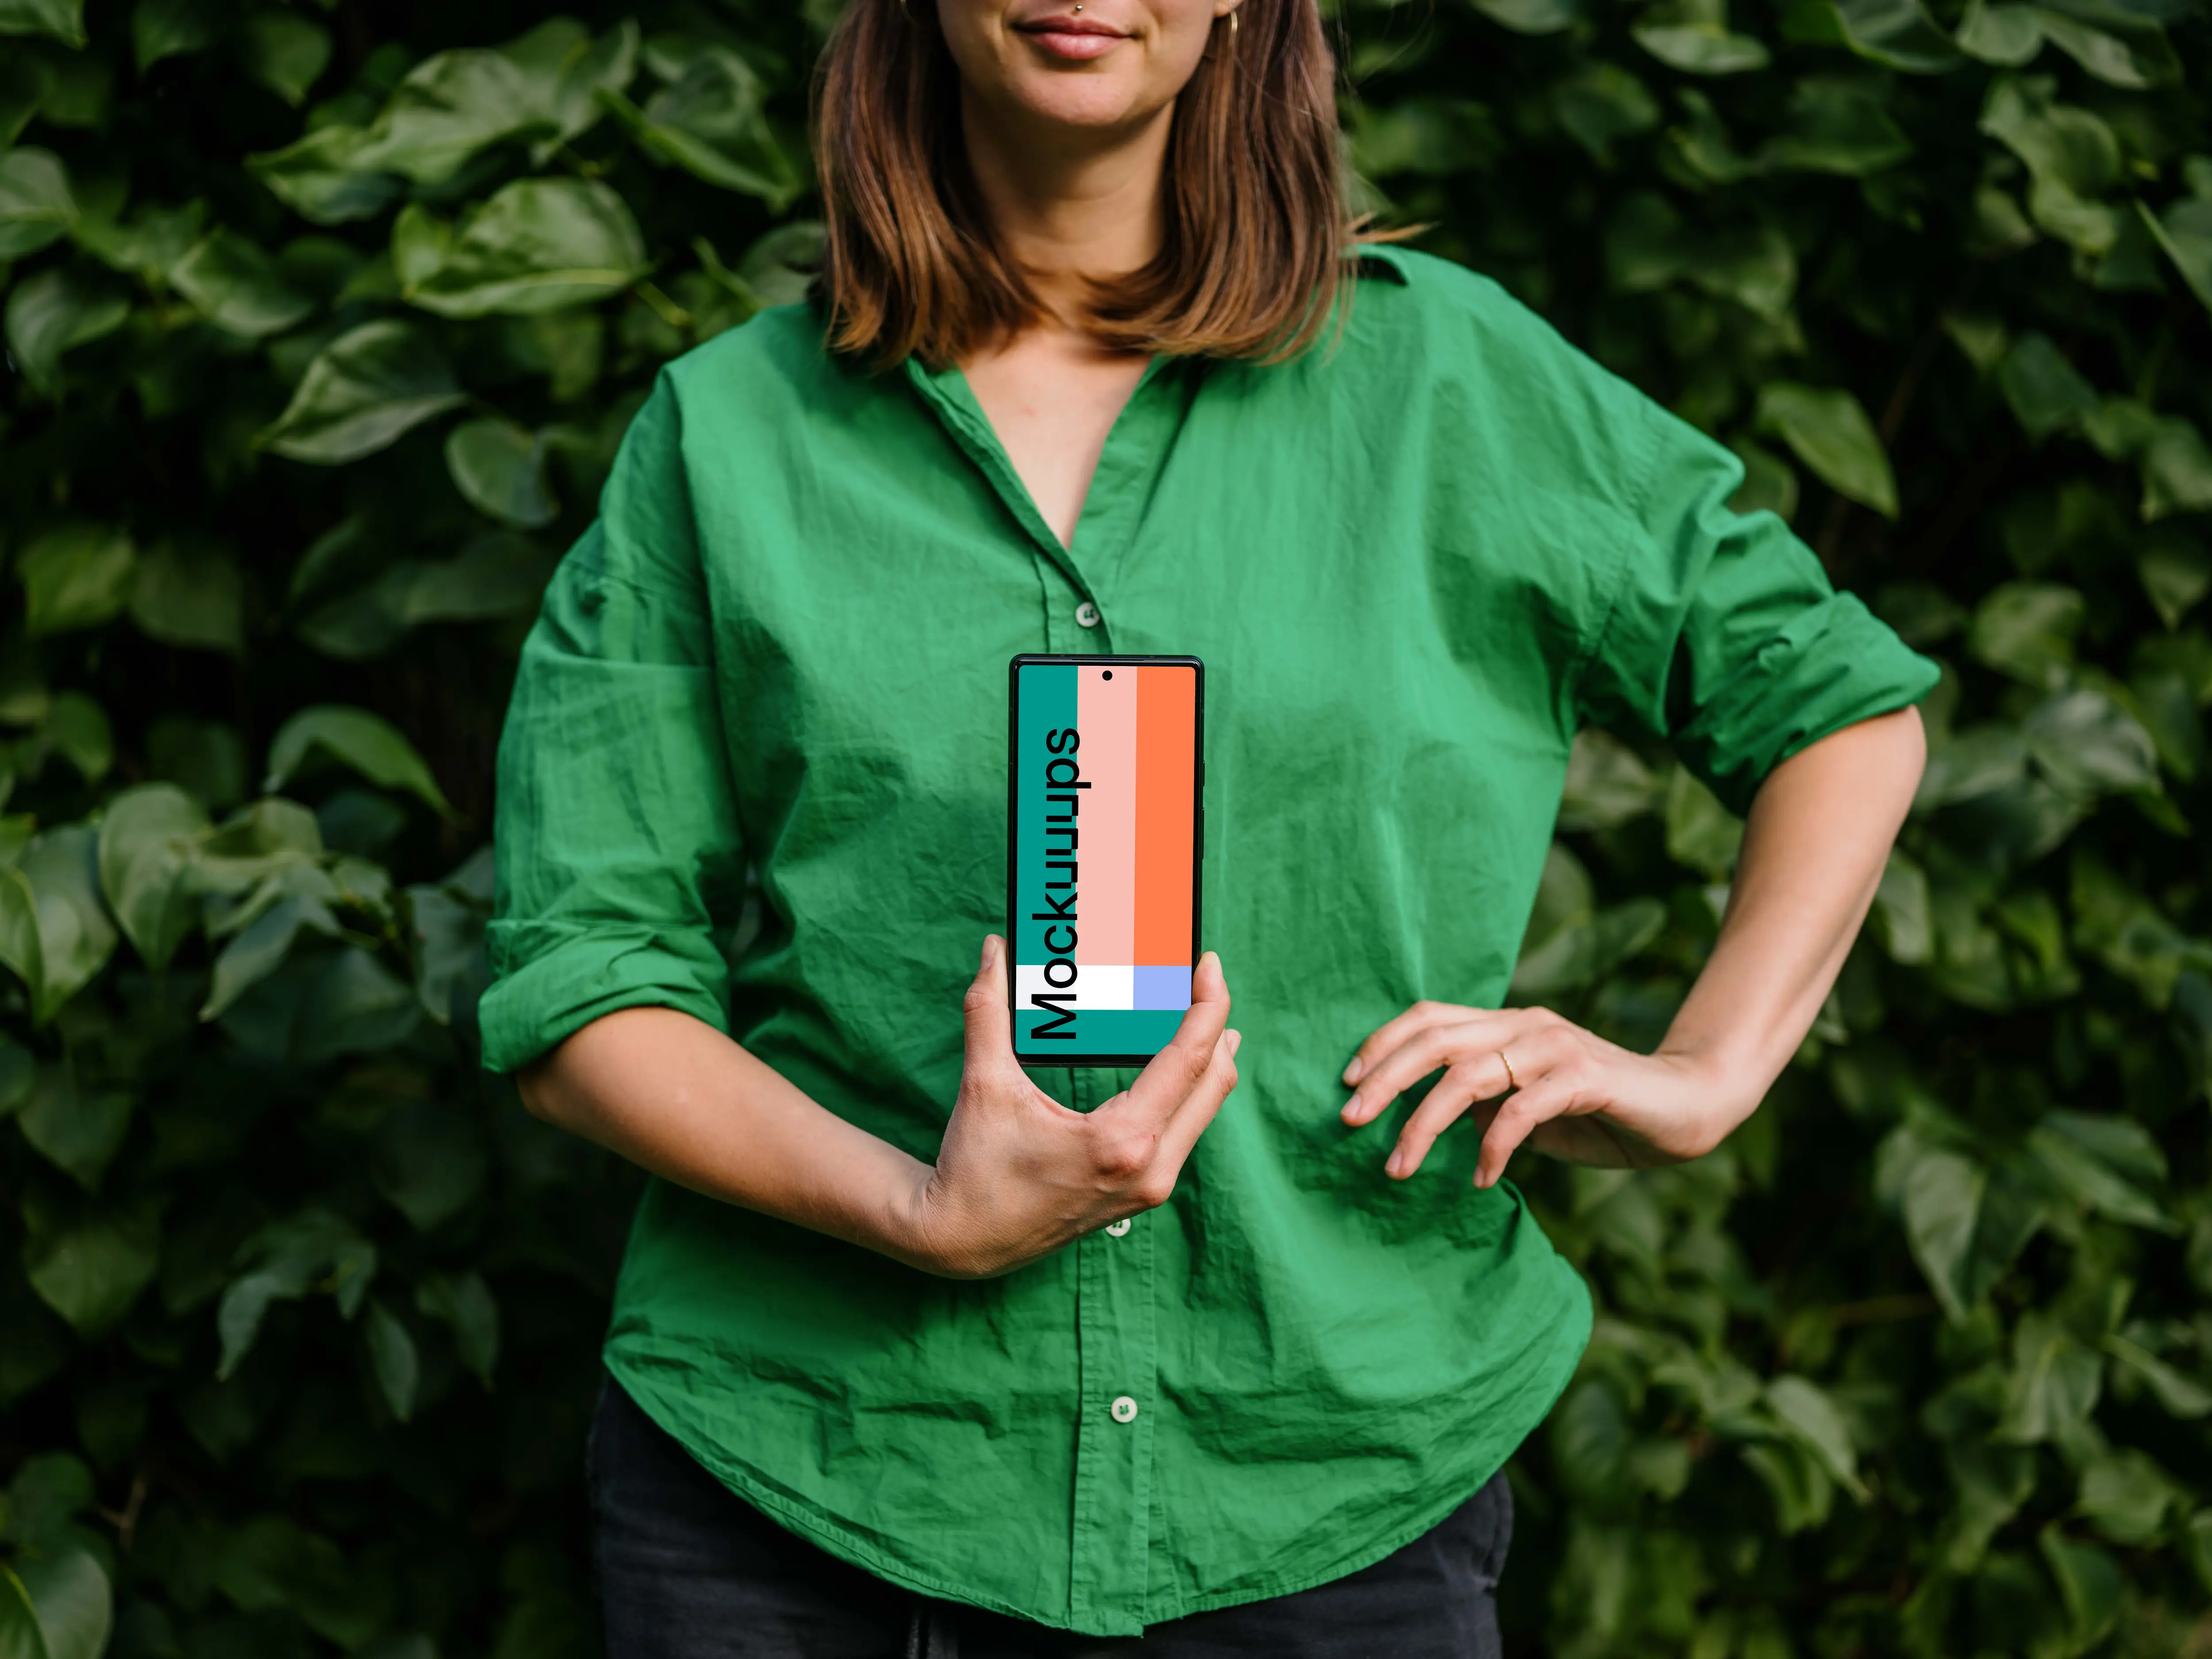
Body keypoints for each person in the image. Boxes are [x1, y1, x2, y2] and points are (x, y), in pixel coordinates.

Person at [478, 0, 1938, 1653]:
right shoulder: (724, 434)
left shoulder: (1455, 382)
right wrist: (915, 1210)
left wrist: (1701, 1073)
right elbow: (583, 984)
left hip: (1332, 1490)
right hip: (805, 1492)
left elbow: (1835, 708)